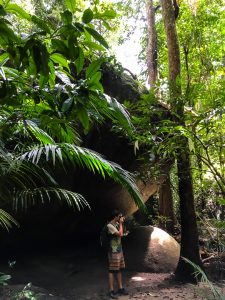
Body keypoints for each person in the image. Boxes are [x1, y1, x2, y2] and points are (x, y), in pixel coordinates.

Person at [106, 210, 129, 299]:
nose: (121, 218)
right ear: (115, 217)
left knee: (118, 269)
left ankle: (120, 288)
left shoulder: (115, 225)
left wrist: (120, 224)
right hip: (113, 250)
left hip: (119, 249)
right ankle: (111, 290)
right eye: (119, 216)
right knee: (112, 270)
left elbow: (121, 233)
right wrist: (120, 223)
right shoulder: (109, 226)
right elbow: (119, 234)